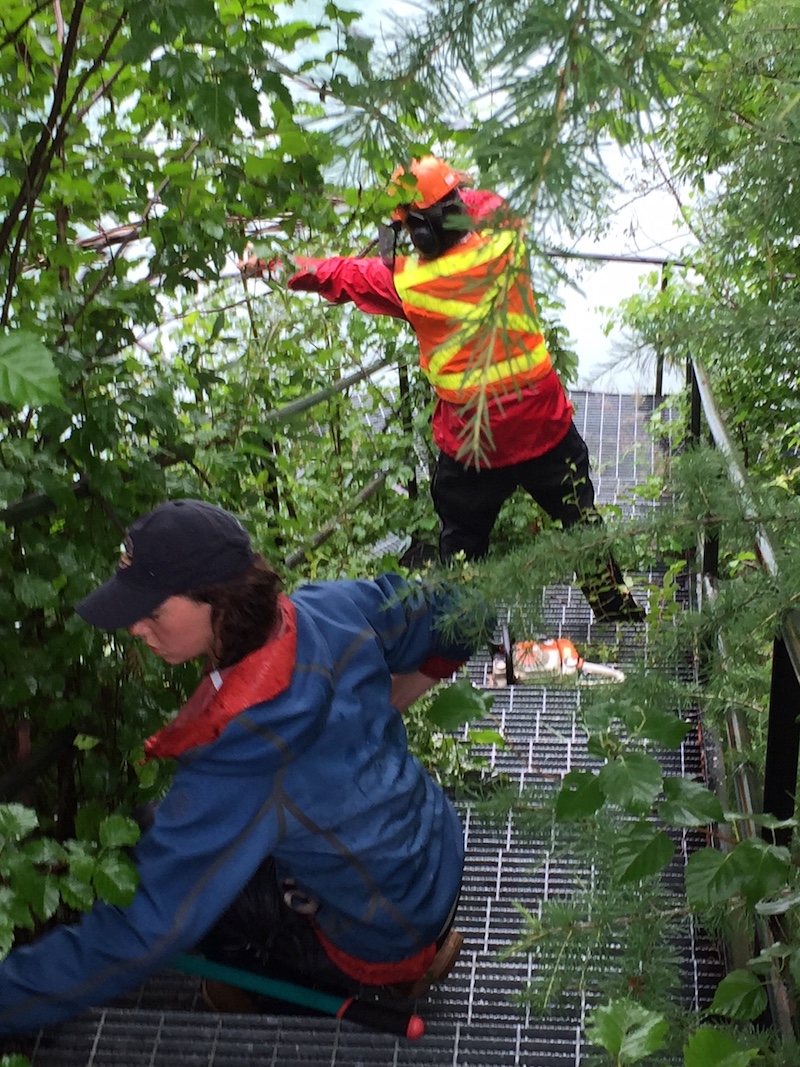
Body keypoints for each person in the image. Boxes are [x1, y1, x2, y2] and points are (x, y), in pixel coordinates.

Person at [0, 498, 488, 1035]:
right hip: (435, 856)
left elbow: (143, 934)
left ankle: (354, 983)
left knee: (157, 851)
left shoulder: (246, 749)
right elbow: (461, 607)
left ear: (217, 602)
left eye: (153, 611)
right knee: (181, 833)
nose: (136, 628)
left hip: (380, 935)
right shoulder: (328, 608)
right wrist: (411, 686)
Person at [246, 155, 644, 623]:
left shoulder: (407, 282)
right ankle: (616, 612)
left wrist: (270, 264)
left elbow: (336, 274)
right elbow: (482, 202)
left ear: (417, 233)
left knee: (462, 548)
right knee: (581, 525)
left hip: (473, 447)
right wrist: (435, 195)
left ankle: (462, 633)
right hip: (543, 426)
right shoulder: (503, 233)